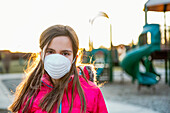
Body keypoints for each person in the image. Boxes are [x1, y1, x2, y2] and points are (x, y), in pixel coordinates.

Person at [8, 25, 108, 113]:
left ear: (75, 58)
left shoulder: (92, 91)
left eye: (65, 53)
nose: (57, 59)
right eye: (50, 52)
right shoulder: (31, 93)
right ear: (41, 55)